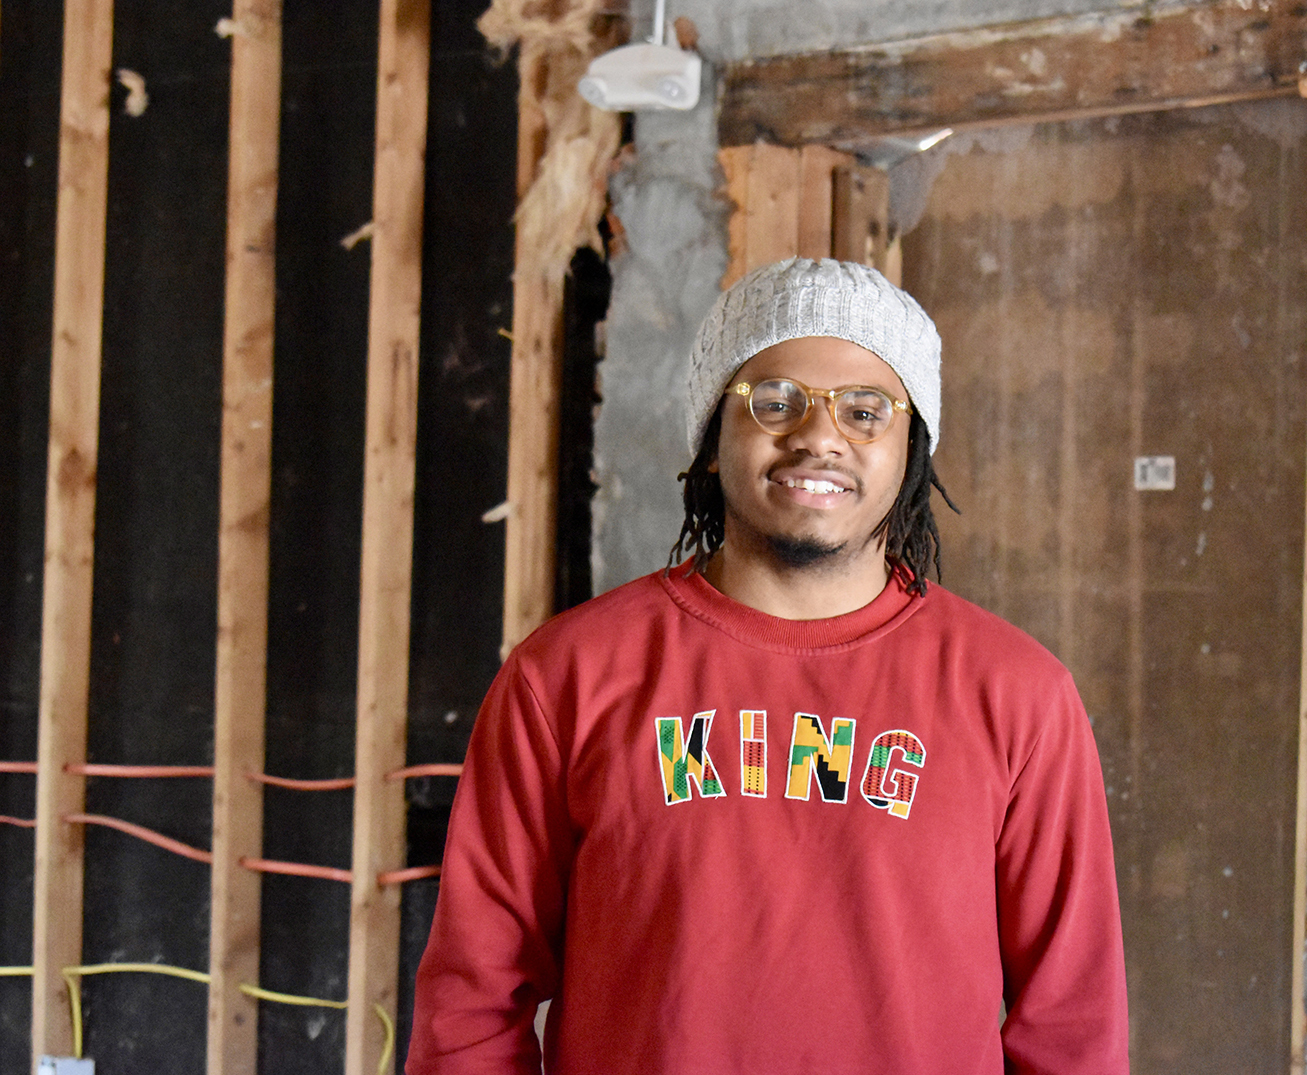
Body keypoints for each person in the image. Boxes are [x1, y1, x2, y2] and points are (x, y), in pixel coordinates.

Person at [406, 258, 1128, 1074]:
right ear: (713, 440)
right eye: (774, 401)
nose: (819, 436)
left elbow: (1073, 1024)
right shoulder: (566, 678)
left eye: (865, 410)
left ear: (911, 454)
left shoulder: (1019, 696)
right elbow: (470, 1002)